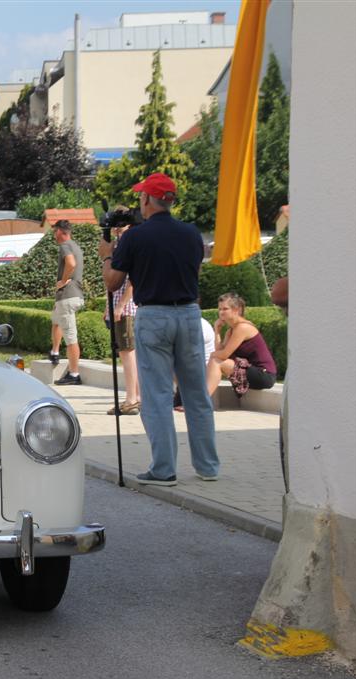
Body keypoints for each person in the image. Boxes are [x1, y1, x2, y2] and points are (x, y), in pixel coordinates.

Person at [100, 172, 220, 486]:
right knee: (195, 394)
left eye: (141, 197)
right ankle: (208, 466)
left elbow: (114, 282)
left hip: (153, 315)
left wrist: (108, 252)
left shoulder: (135, 237)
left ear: (147, 201)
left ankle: (164, 469)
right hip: (190, 314)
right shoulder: (192, 234)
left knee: (156, 395)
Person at [206, 292, 277, 397]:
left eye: (225, 309)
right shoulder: (230, 331)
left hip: (264, 375)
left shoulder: (242, 328)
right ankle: (202, 400)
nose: (221, 312)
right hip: (250, 370)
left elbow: (223, 355)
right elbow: (220, 351)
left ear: (237, 310)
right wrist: (217, 330)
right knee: (215, 360)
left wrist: (213, 355)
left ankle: (202, 402)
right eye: (220, 309)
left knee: (216, 361)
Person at [104, 223, 140, 415]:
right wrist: (107, 307)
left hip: (126, 309)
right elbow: (111, 284)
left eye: (121, 225)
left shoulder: (128, 246)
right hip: (121, 307)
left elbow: (131, 282)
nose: (117, 229)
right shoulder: (120, 246)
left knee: (128, 353)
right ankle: (136, 397)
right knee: (127, 353)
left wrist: (119, 306)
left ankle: (131, 398)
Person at [49, 220, 84, 385]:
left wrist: (63, 281)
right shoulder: (75, 245)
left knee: (71, 338)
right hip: (71, 296)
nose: (54, 235)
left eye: (55, 232)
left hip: (67, 297)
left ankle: (74, 374)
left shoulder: (65, 246)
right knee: (56, 320)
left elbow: (71, 264)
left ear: (62, 232)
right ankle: (55, 351)